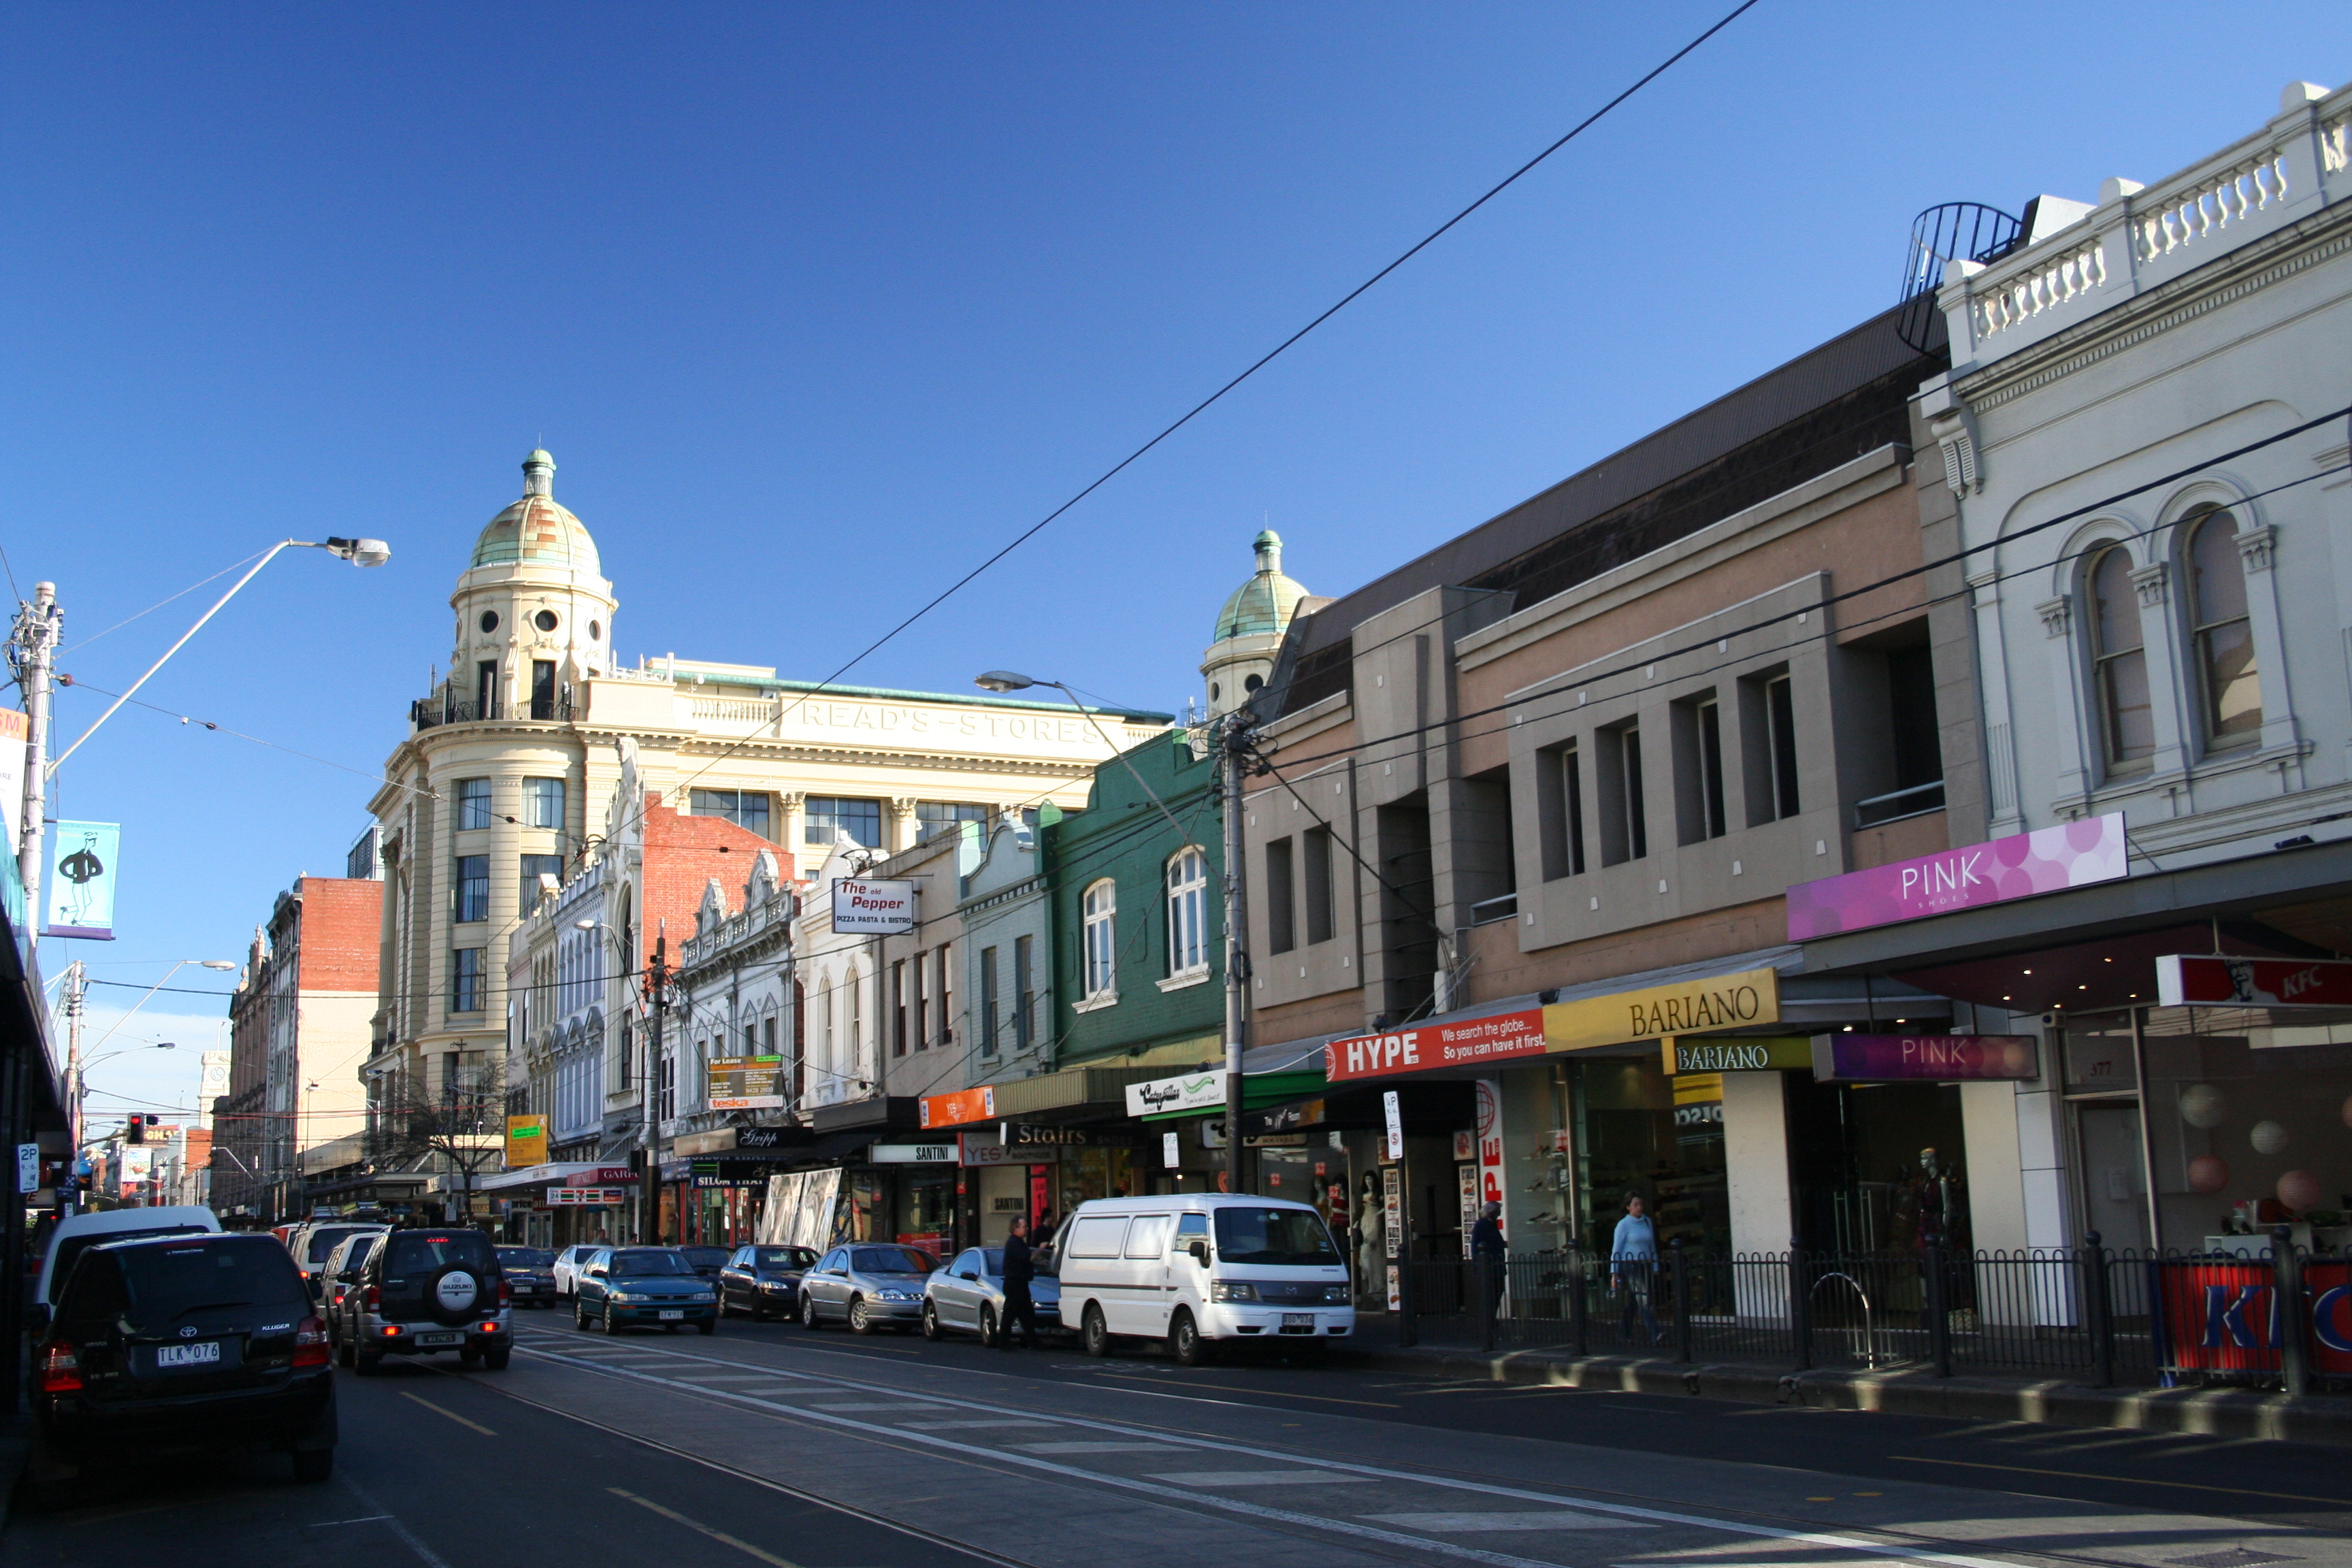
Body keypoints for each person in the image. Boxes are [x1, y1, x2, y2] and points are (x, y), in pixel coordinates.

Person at [1610, 1191, 1663, 1344]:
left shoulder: (1647, 1222)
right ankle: (1656, 1332)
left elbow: (1652, 1245)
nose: (1639, 1207)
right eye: (1635, 1205)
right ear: (1628, 1207)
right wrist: (1614, 1273)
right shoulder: (1623, 1225)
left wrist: (1655, 1266)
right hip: (1630, 1265)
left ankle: (1623, 1332)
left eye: (1641, 1204)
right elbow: (1617, 1249)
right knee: (1644, 1298)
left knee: (1634, 1301)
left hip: (1644, 1264)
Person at [998, 1214, 1039, 1350]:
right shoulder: (1013, 1242)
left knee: (1026, 1313)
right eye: (1024, 1227)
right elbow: (1027, 1257)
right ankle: (1003, 1342)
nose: (1026, 1229)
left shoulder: (1020, 1243)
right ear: (1015, 1228)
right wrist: (1041, 1249)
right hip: (1014, 1282)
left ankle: (1033, 1342)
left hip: (1021, 1282)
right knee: (1010, 1313)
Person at [1470, 1198, 1507, 1323]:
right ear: (1491, 1212)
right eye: (1497, 1212)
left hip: (1496, 1264)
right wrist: (1478, 1263)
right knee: (1491, 1294)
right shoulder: (1482, 1224)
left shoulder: (1491, 1224)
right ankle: (1488, 1319)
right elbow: (1475, 1245)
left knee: (1497, 1292)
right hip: (1489, 1265)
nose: (1499, 1214)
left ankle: (1490, 1318)